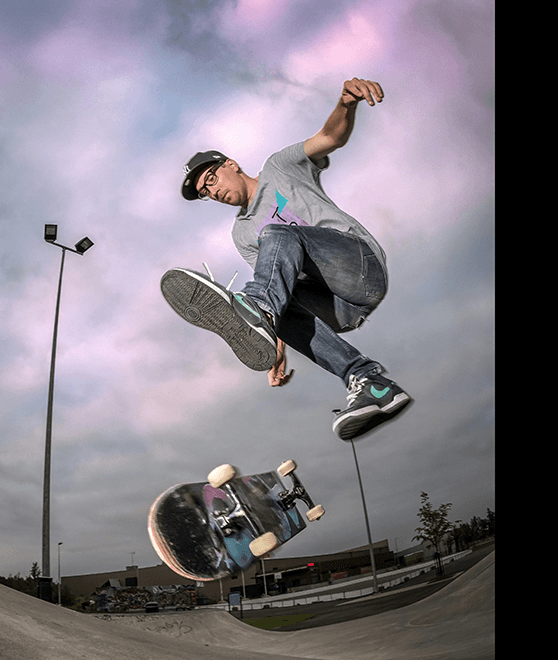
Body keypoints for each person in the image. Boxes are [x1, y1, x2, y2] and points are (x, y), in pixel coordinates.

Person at [162, 76, 411, 441]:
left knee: (276, 234)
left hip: (360, 267)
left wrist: (345, 103)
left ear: (231, 164)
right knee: (275, 304)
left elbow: (331, 137)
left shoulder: (279, 167)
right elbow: (277, 287)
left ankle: (259, 312)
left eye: (211, 179)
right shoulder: (241, 234)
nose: (212, 191)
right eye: (204, 192)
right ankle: (370, 383)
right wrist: (274, 347)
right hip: (338, 308)